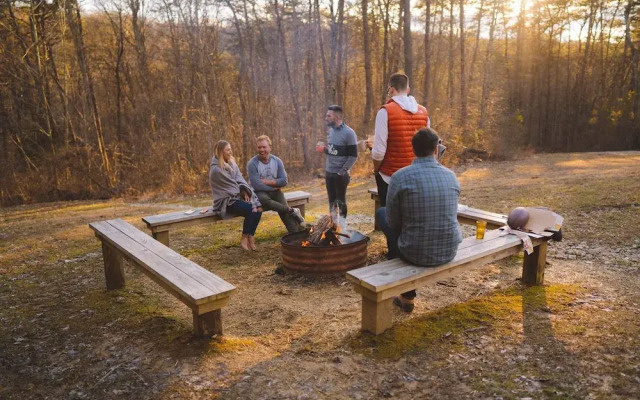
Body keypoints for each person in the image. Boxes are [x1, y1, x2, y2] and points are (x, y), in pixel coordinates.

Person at [375, 128, 462, 312]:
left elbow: (392, 221)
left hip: (414, 253)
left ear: (413, 150)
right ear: (436, 149)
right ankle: (405, 292)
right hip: (449, 249)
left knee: (382, 213)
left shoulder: (400, 177)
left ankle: (404, 290)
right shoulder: (451, 176)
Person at [370, 73, 430, 208]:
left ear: (391, 89)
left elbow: (379, 151)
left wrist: (376, 169)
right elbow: (429, 146)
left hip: (390, 177)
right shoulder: (423, 112)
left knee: (391, 219)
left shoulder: (385, 112)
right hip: (417, 175)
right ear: (407, 89)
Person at [209, 140, 263, 251]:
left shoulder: (232, 163)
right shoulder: (216, 169)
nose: (230, 152)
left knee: (258, 208)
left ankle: (251, 236)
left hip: (237, 196)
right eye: (227, 150)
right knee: (251, 210)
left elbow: (239, 179)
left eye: (230, 149)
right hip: (226, 200)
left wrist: (244, 190)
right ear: (221, 152)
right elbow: (230, 186)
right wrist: (241, 192)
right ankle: (244, 237)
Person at [247, 135, 305, 233]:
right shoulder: (252, 163)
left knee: (284, 214)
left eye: (264, 147)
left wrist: (266, 182)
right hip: (260, 192)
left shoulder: (277, 161)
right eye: (259, 147)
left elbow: (284, 181)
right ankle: (291, 210)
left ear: (270, 147)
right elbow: (257, 185)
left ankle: (295, 233)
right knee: (264, 199)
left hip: (275, 192)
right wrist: (273, 187)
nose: (261, 150)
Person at [317, 105, 358, 218]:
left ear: (337, 117)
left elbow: (353, 156)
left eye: (328, 116)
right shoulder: (331, 131)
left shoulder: (349, 133)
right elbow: (334, 151)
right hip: (329, 172)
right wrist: (324, 149)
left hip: (341, 175)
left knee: (341, 202)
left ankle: (342, 228)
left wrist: (342, 171)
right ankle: (333, 227)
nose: (326, 118)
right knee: (331, 202)